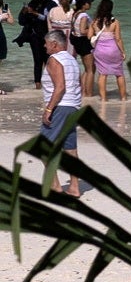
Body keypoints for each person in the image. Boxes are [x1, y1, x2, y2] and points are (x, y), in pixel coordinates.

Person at [37, 28, 82, 195]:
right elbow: (79, 84)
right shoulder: (72, 59)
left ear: (54, 44)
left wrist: (49, 109)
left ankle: (55, 185)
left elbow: (60, 87)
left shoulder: (54, 60)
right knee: (70, 148)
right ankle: (74, 187)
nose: (44, 46)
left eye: (46, 43)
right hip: (73, 106)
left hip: (61, 106)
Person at [89, 0, 127, 109]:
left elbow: (89, 36)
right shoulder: (115, 21)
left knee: (102, 74)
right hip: (113, 50)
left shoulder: (95, 21)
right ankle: (123, 98)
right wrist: (123, 51)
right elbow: (118, 39)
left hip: (100, 50)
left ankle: (104, 99)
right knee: (119, 74)